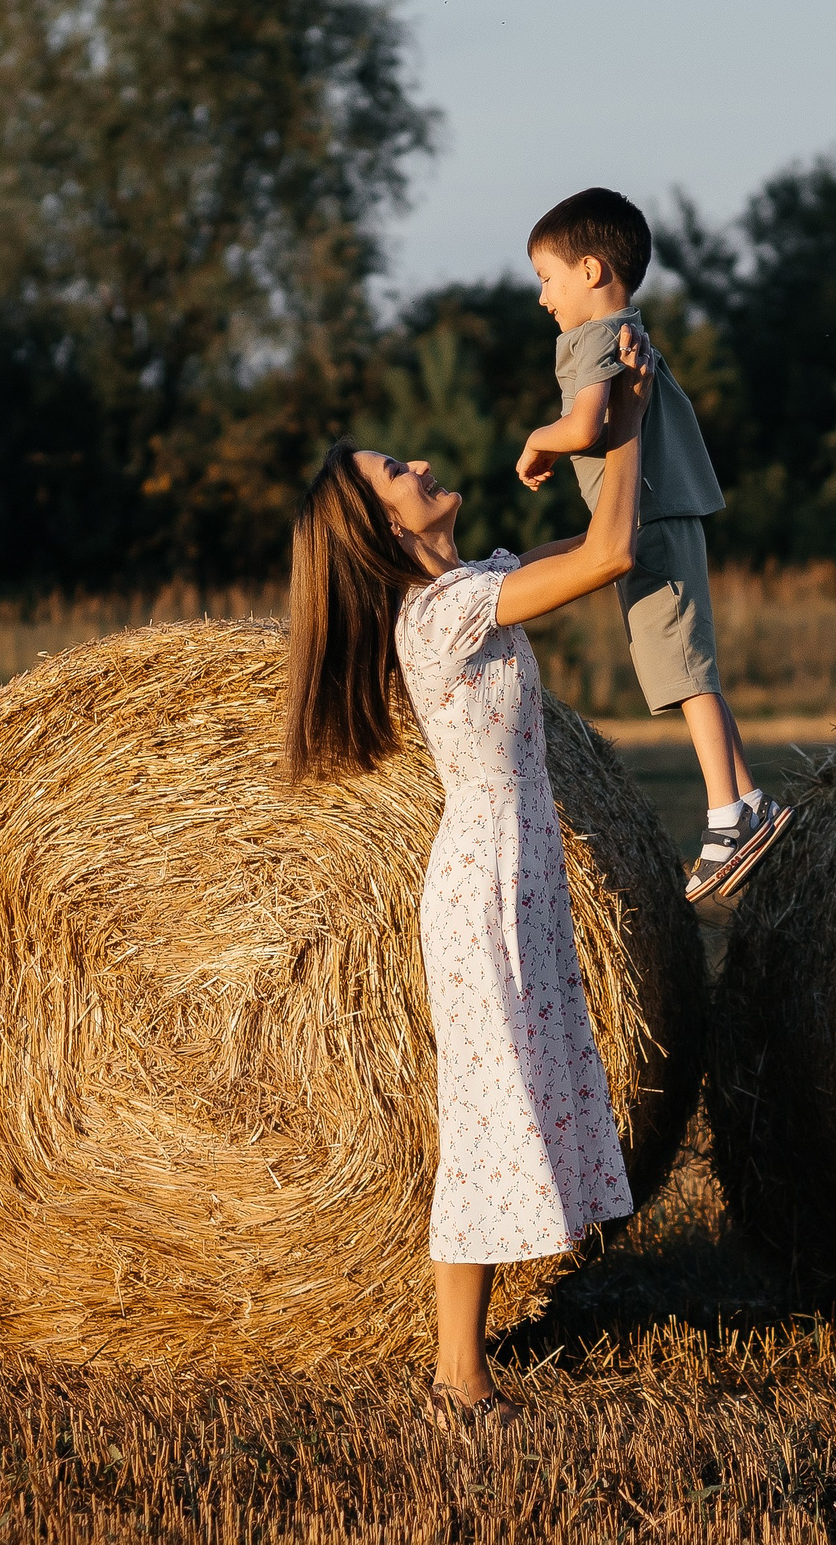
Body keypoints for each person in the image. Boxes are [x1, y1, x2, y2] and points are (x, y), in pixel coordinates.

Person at [282, 325, 661, 1434]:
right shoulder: (441, 616)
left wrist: (613, 419)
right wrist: (618, 419)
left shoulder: (476, 583)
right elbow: (607, 556)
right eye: (396, 473)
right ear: (380, 528)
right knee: (485, 1113)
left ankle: (464, 1366)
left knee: (507, 1103)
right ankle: (457, 1376)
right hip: (485, 882)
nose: (420, 466)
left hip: (516, 873)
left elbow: (594, 535)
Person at [512, 187, 790, 903]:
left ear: (592, 270)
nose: (544, 298)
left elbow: (586, 425)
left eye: (548, 278)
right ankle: (750, 799)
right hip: (673, 514)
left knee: (681, 675)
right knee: (695, 666)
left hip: (650, 521)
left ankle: (724, 819)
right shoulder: (630, 331)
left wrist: (538, 440)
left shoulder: (591, 340)